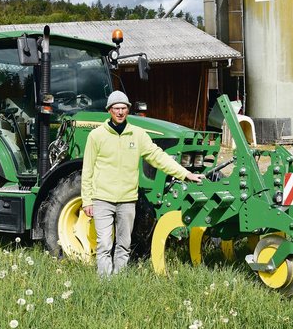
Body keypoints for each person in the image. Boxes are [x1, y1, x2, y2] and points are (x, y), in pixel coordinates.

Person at [81, 90, 204, 277]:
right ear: (109, 110)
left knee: (124, 244)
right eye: (116, 108)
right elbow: (87, 169)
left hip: (127, 199)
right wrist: (87, 200)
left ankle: (119, 279)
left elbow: (158, 157)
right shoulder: (96, 136)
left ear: (128, 110)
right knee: (105, 243)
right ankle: (104, 282)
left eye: (123, 108)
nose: (120, 112)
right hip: (102, 198)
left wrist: (185, 173)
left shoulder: (138, 134)